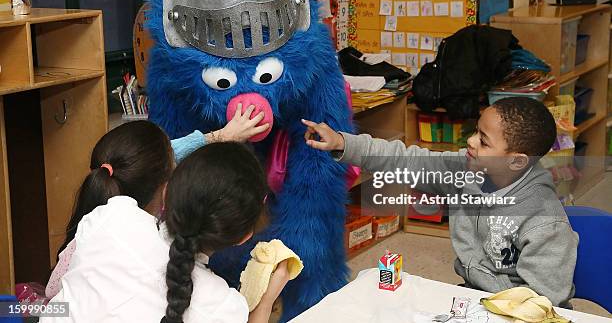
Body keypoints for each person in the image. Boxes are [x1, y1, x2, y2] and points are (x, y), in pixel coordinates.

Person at [303, 97, 578, 307]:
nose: (470, 142)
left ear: (516, 161)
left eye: (483, 141)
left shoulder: (544, 220)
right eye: (475, 131)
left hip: (518, 310)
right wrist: (343, 143)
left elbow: (542, 305)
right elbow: (407, 160)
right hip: (472, 296)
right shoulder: (469, 168)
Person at [42, 142, 286, 323]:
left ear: (166, 192)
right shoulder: (223, 307)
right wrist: (265, 301)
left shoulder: (112, 215)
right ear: (243, 236)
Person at [46, 104, 268, 299]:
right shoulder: (157, 257)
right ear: (166, 191)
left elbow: (52, 293)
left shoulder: (99, 221)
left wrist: (219, 136)